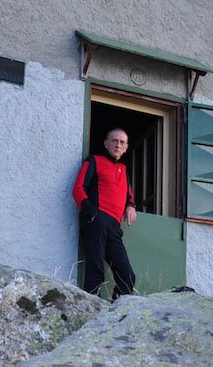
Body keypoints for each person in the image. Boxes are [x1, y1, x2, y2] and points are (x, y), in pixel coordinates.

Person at [72, 127, 138, 299]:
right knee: (96, 273)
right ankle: (90, 310)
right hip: (97, 220)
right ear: (106, 143)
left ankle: (117, 312)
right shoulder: (94, 160)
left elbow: (129, 196)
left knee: (128, 276)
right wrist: (92, 215)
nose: (118, 145)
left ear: (126, 147)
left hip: (114, 227)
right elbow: (78, 189)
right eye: (114, 141)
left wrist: (131, 206)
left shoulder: (123, 170)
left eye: (122, 142)